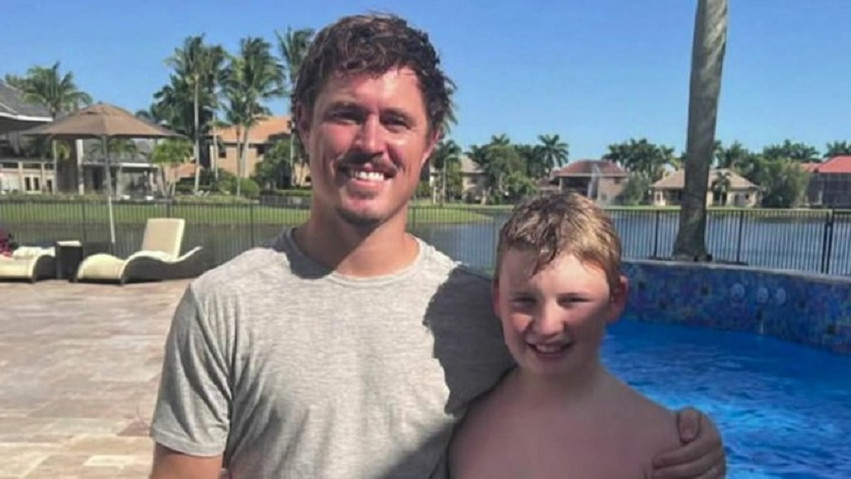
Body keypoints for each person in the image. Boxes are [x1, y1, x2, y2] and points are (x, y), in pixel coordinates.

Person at [149, 13, 726, 479]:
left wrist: (684, 439)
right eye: (346, 115)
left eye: (396, 121)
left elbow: (571, 399)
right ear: (303, 123)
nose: (371, 142)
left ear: (430, 143)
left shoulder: (480, 309)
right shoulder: (225, 305)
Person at [449, 191, 721, 478]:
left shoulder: (668, 452)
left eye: (572, 301)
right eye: (525, 301)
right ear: (497, 298)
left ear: (615, 298)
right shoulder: (460, 424)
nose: (547, 326)